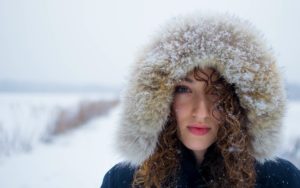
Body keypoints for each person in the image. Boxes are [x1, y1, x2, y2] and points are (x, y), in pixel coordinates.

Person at [100, 12, 300, 188]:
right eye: (184, 89)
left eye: (216, 91)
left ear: (239, 101)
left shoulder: (280, 180)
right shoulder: (124, 181)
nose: (201, 112)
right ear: (159, 100)